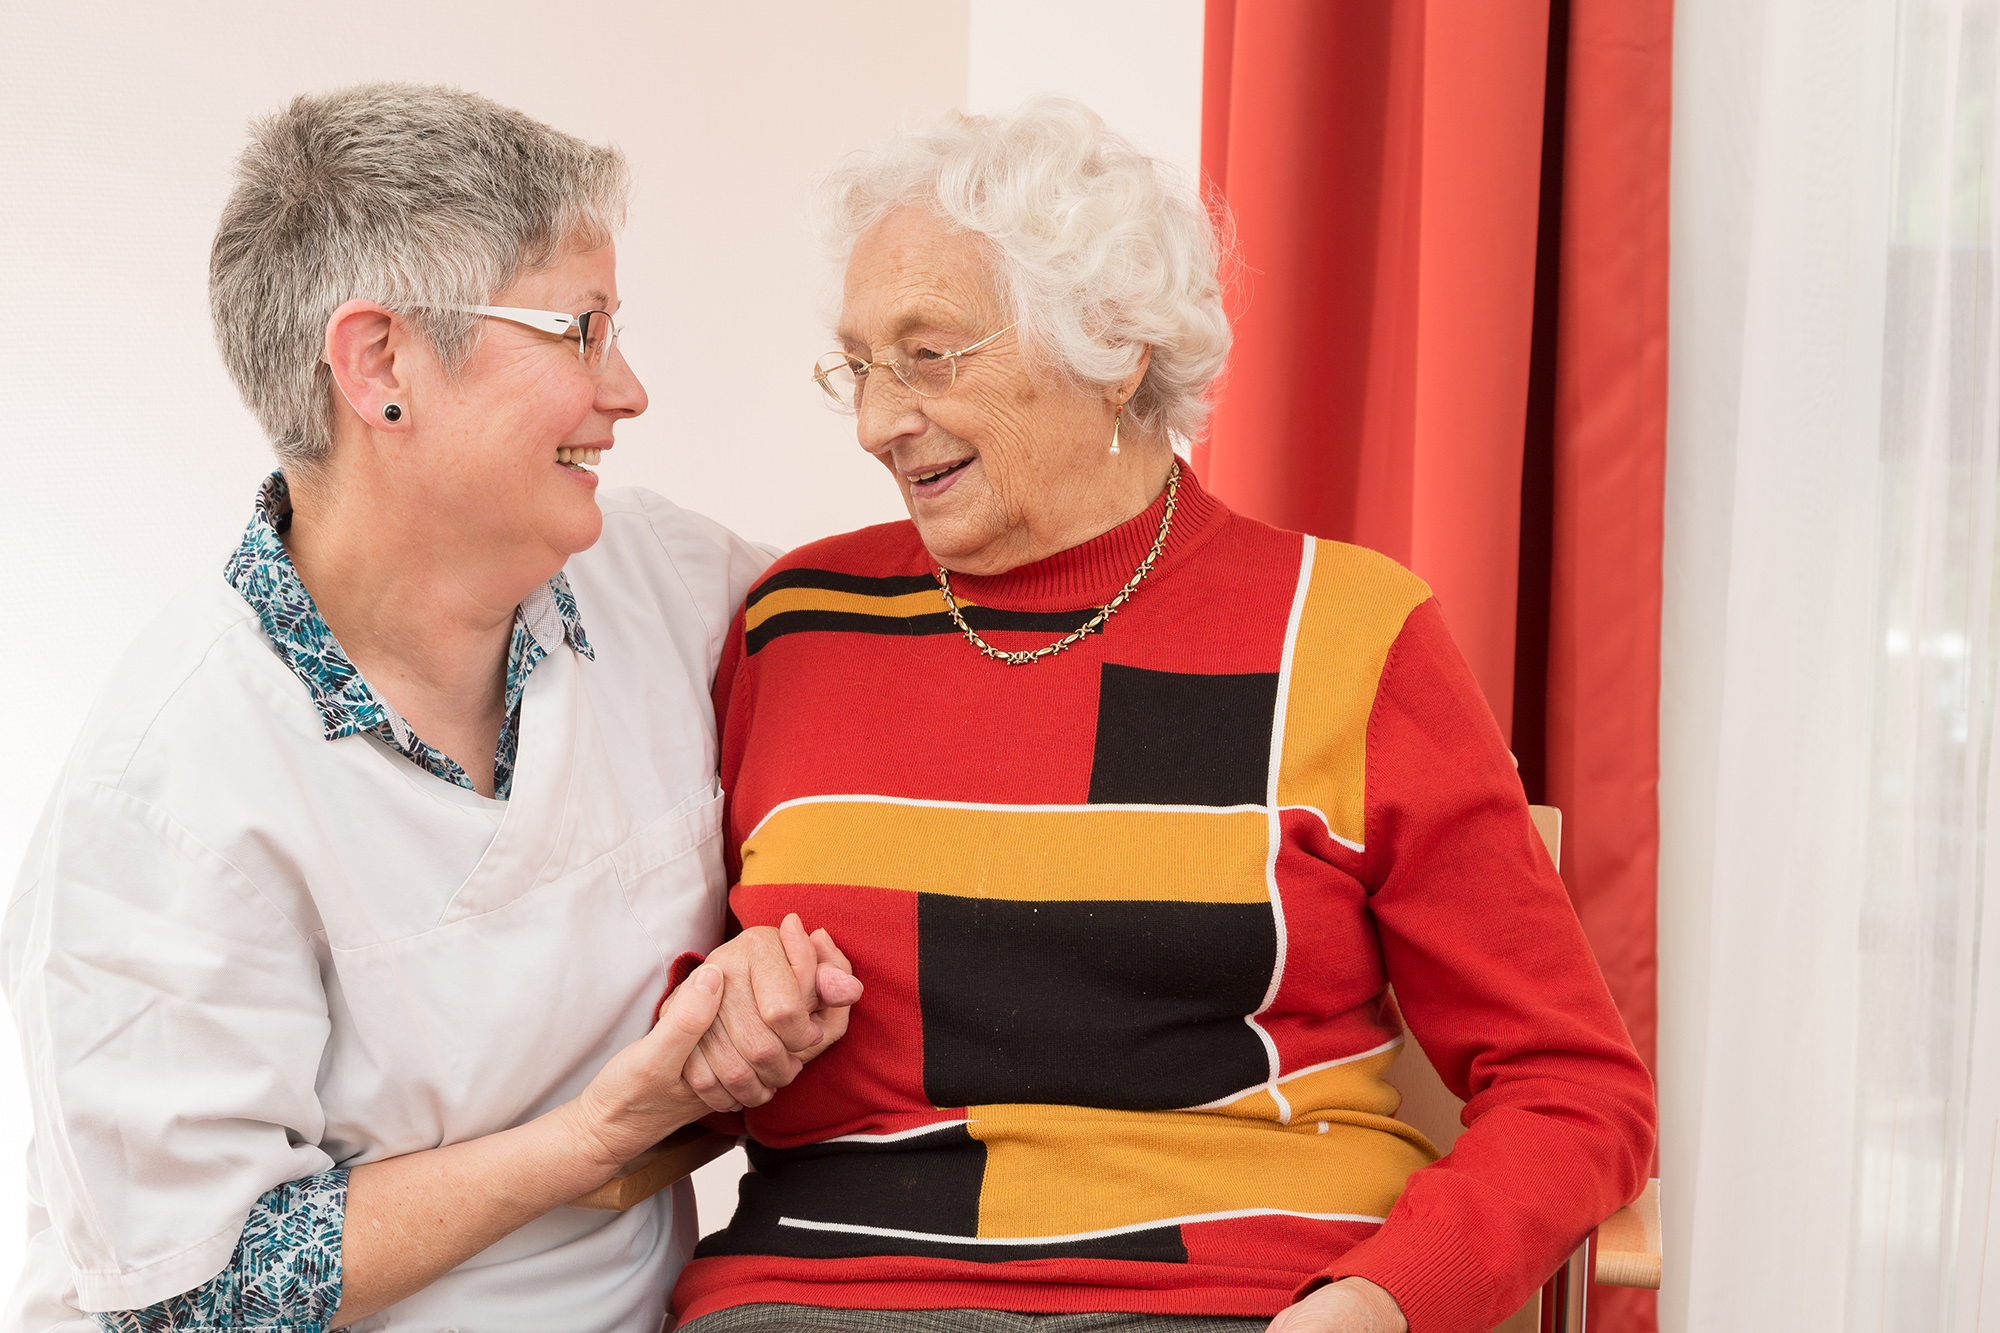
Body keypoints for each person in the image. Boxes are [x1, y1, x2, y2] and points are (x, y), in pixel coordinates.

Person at [671, 100, 1657, 1333]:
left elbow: (1572, 1086)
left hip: (1242, 1296)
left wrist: (1385, 1300)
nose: (876, 424)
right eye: (859, 367)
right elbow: (677, 1030)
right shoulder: (800, 623)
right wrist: (713, 1015)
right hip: (829, 1291)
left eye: (928, 356)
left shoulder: (1342, 634)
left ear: (1112, 344)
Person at [2, 84, 859, 1333]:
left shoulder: (661, 582)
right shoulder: (165, 794)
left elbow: (900, 672)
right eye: (579, 330)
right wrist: (595, 1134)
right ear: (380, 364)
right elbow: (203, 1291)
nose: (627, 390)